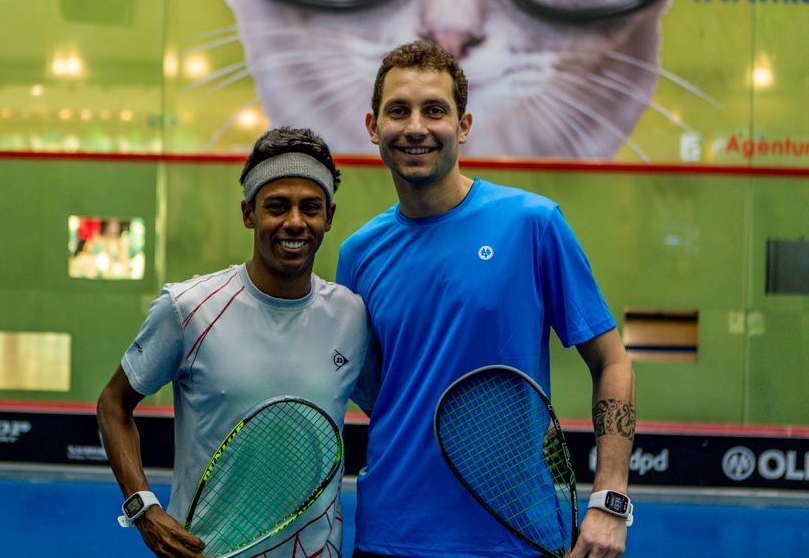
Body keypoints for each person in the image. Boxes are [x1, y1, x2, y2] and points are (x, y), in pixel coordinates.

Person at [337, 41, 637, 558]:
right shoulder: (358, 253)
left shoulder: (533, 224)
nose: (415, 127)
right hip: (389, 535)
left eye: (435, 111)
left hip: (513, 535)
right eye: (398, 110)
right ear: (373, 126)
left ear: (464, 125)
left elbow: (612, 363)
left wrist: (610, 501)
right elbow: (379, 390)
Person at [97, 127, 370, 558]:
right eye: (277, 206)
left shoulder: (352, 316)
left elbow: (393, 413)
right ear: (248, 213)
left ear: (329, 217)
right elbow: (113, 405)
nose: (294, 222)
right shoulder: (188, 308)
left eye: (310, 207)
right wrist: (142, 507)